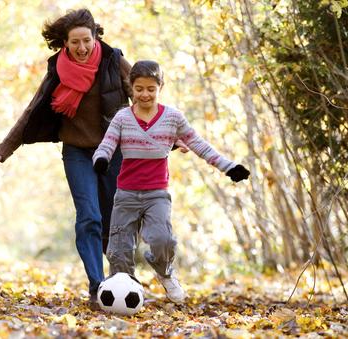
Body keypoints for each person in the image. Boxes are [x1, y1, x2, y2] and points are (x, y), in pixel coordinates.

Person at [0, 9, 132, 308]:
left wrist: (173, 136)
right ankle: (97, 285)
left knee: (114, 221)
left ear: (95, 37)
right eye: (74, 42)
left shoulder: (114, 61)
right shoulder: (58, 70)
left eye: (86, 41)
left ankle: (123, 281)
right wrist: (2, 151)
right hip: (77, 152)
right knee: (89, 216)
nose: (81, 48)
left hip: (113, 151)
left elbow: (143, 99)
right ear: (64, 43)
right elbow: (32, 110)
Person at [92, 60, 250, 304]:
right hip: (126, 194)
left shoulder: (173, 118)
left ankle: (165, 273)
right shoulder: (122, 118)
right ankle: (124, 293)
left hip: (156, 194)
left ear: (160, 87)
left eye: (151, 89)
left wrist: (228, 167)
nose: (145, 94)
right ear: (131, 88)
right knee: (119, 249)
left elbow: (198, 144)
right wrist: (101, 159)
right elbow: (107, 144)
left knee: (162, 239)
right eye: (139, 88)